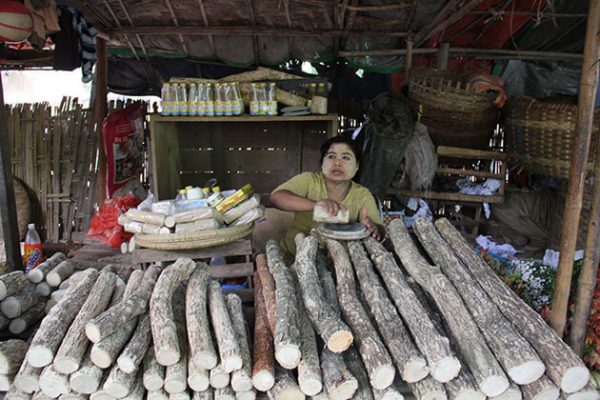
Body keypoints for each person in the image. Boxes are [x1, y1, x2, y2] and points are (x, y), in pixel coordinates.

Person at [270, 135, 384, 256]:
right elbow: (276, 198)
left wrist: (373, 228)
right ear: (322, 163)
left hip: (340, 262)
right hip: (295, 255)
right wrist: (316, 204)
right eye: (331, 156)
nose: (337, 162)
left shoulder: (362, 195)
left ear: (357, 166)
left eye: (346, 157)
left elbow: (380, 231)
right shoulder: (308, 181)